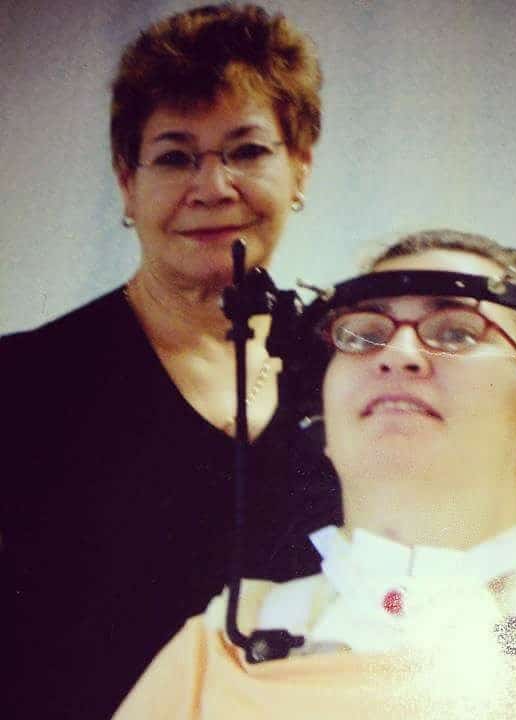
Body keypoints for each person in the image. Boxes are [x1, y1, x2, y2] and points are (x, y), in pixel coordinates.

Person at [112, 229, 516, 719]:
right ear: (323, 422)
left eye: (456, 332)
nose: (397, 354)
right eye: (363, 334)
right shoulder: (216, 654)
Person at [1, 5, 326, 718]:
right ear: (127, 184)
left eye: (246, 151)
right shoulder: (19, 387)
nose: (213, 188)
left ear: (300, 165)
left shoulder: (355, 376)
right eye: (176, 156)